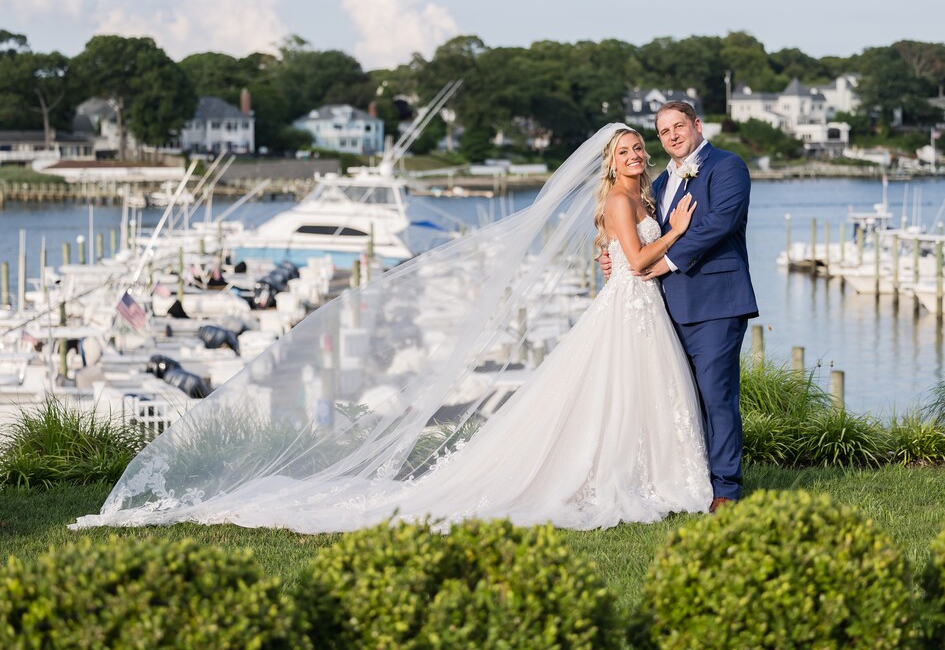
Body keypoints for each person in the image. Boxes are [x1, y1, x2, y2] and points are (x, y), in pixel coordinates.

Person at [71, 124, 712, 534]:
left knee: (629, 397)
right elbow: (633, 260)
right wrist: (679, 233)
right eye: (626, 149)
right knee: (615, 395)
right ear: (610, 162)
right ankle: (625, 477)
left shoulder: (644, 196)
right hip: (633, 305)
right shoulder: (624, 200)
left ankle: (644, 471)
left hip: (636, 309)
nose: (635, 154)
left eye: (640, 147)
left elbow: (616, 264)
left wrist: (646, 250)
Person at [600, 102, 758, 510]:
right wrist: (614, 256)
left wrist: (665, 258)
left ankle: (725, 489)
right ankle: (689, 478)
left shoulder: (727, 166)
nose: (672, 135)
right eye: (664, 130)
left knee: (716, 396)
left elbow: (719, 223)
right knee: (681, 399)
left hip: (715, 304)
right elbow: (634, 234)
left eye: (679, 126)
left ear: (697, 125)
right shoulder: (657, 183)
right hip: (665, 308)